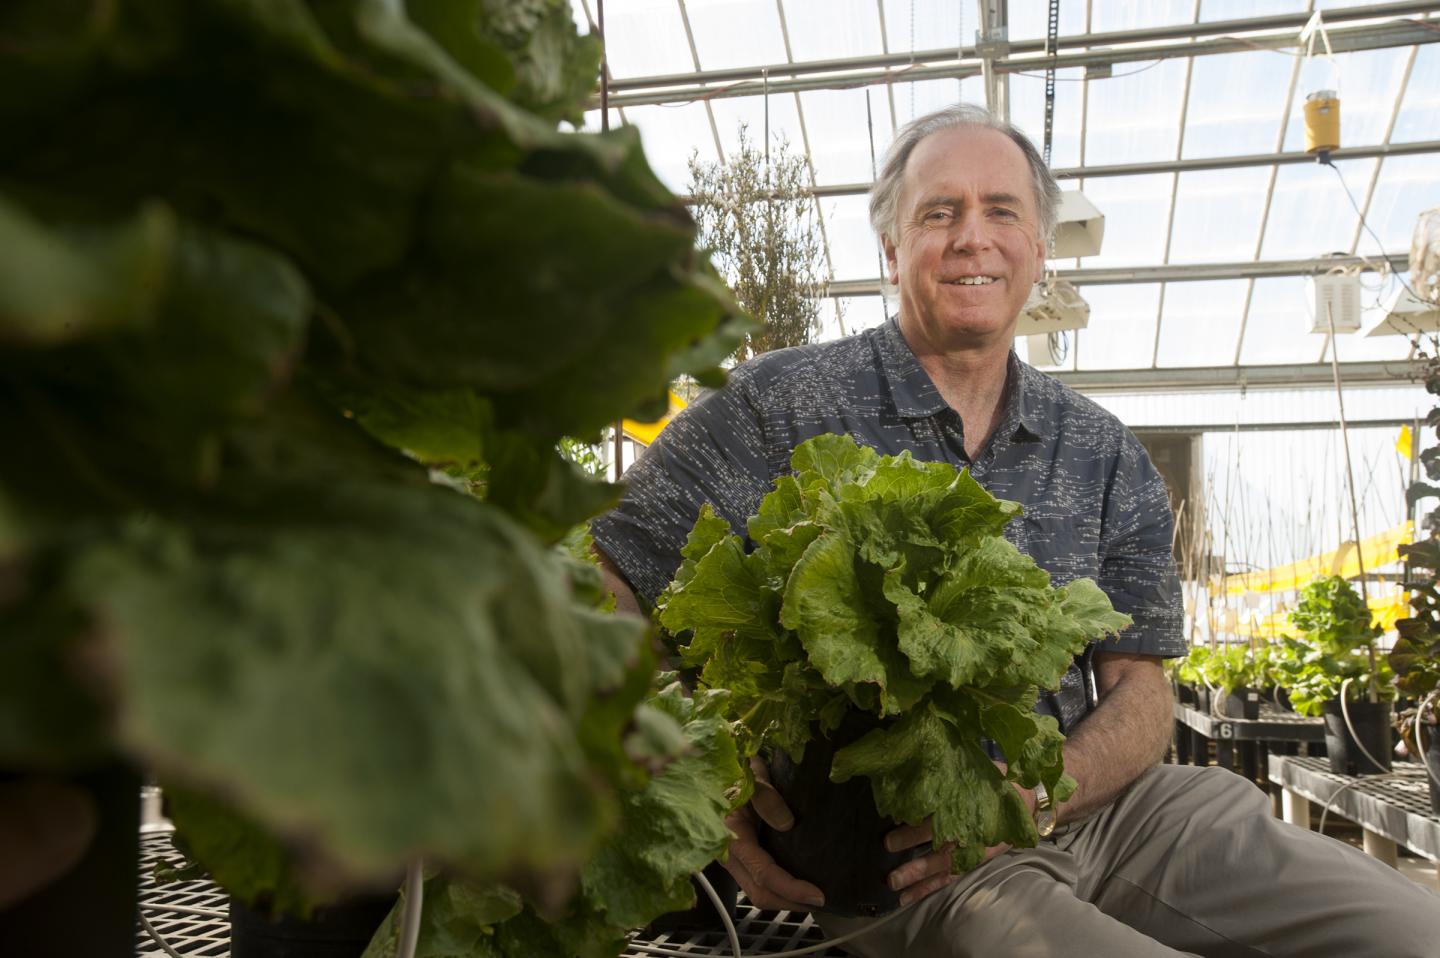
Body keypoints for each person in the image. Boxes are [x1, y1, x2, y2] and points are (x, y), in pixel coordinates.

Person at [591, 103, 1440, 956]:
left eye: (1002, 211)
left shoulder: (1101, 450)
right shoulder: (780, 406)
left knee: (1409, 929)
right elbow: (601, 576)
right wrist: (686, 764)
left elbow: (1142, 691)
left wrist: (1039, 794)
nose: (973, 237)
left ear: (1038, 250)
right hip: (915, 857)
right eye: (938, 212)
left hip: (1108, 813)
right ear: (891, 250)